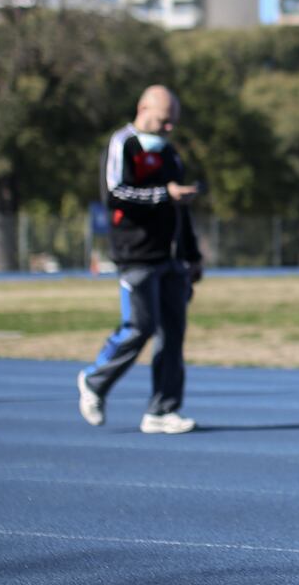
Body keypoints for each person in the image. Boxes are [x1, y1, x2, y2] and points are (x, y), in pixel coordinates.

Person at [76, 86, 203, 434]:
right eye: (164, 121)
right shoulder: (124, 144)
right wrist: (164, 194)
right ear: (143, 108)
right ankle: (94, 381)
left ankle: (162, 410)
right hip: (136, 257)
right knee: (140, 327)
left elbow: (181, 211)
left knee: (173, 335)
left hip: (172, 259)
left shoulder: (170, 153)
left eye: (172, 123)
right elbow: (115, 194)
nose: (168, 130)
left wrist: (192, 255)